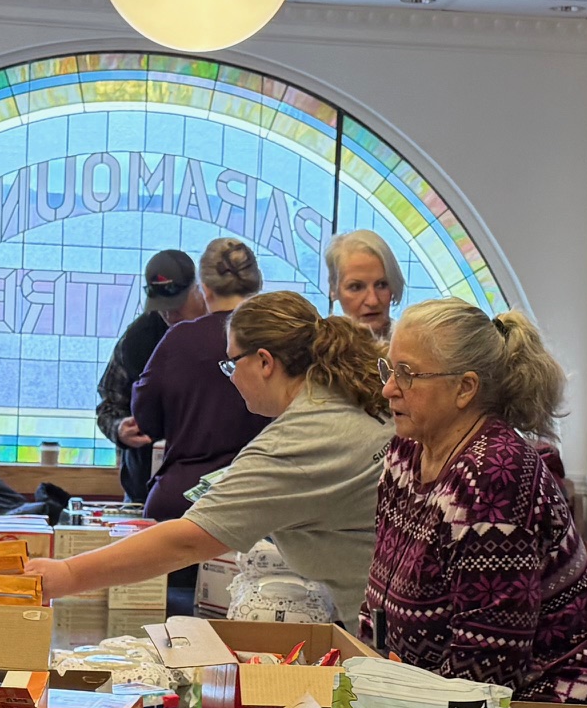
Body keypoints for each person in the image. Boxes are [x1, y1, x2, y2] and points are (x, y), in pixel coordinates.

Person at [359, 299, 587, 704]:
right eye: (389, 370)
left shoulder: (496, 475)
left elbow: (487, 667)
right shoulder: (405, 453)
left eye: (407, 374)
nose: (388, 388)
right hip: (458, 706)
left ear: (465, 388)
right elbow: (378, 598)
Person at [28, 293, 392, 620]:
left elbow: (187, 540)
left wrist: (67, 574)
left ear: (265, 362)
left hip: (384, 623)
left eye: (231, 364)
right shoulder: (352, 394)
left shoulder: (297, 441)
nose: (230, 378)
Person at [130, 236, 268, 519]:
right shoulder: (280, 339)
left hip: (182, 500)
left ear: (204, 288)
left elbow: (146, 419)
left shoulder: (179, 340)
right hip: (260, 498)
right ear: (258, 284)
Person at [97, 248, 202, 498]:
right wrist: (119, 429)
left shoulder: (226, 333)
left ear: (198, 290)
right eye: (161, 306)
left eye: (176, 305)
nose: (169, 314)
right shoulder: (137, 338)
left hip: (207, 489)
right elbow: (109, 405)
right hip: (143, 490)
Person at [325, 228, 402, 340]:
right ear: (333, 289)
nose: (373, 301)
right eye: (356, 287)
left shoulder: (417, 346)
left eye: (382, 285)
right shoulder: (317, 348)